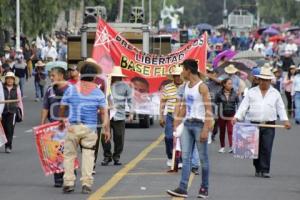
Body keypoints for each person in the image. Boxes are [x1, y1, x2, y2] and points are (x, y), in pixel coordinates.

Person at [59, 58, 110, 194]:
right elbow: (104, 112)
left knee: (69, 155)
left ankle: (68, 182)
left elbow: (62, 107)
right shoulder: (98, 93)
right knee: (88, 155)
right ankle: (86, 184)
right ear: (94, 77)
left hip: (73, 127)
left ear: (81, 74)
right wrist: (106, 129)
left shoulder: (71, 90)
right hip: (90, 129)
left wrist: (62, 120)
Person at [233, 67, 291, 178]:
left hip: (269, 124)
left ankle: (265, 170)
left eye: (266, 80)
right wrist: (237, 117)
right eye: (262, 80)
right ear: (259, 80)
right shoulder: (251, 92)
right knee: (255, 148)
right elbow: (243, 106)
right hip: (254, 124)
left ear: (270, 81)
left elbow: (281, 108)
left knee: (267, 147)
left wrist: (286, 120)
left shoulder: (275, 93)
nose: (264, 82)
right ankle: (257, 167)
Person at [167, 59, 212, 199]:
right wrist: (177, 121)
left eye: (183, 69)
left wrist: (206, 129)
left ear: (188, 70)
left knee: (203, 159)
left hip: (199, 125)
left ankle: (204, 188)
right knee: (185, 158)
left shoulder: (202, 87)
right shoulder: (186, 86)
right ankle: (182, 188)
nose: (181, 72)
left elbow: (208, 109)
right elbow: (185, 107)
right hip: (187, 125)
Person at [40, 62, 68, 187]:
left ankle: (68, 175)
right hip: (54, 126)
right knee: (56, 153)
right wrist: (42, 123)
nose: (51, 78)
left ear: (61, 76)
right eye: (50, 76)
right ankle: (58, 178)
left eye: (53, 75)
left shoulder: (70, 89)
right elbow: (46, 107)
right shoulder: (49, 90)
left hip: (68, 126)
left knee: (67, 153)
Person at [101, 66, 133, 166]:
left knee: (119, 137)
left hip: (119, 115)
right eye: (115, 77)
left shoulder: (126, 86)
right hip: (107, 114)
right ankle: (107, 156)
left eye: (119, 77)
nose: (117, 78)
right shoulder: (106, 85)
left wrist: (131, 113)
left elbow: (130, 101)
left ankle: (116, 156)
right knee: (104, 136)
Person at [160, 65, 184, 167]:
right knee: (169, 137)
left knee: (182, 138)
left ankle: (180, 159)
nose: (178, 77)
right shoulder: (167, 87)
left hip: (183, 115)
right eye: (175, 76)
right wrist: (161, 116)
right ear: (173, 77)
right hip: (170, 115)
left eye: (179, 75)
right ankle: (170, 157)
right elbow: (163, 102)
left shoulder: (187, 86)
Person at [1, 72, 23, 153]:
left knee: (10, 130)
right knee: (2, 129)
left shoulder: (16, 88)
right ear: (5, 80)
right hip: (2, 111)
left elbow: (19, 101)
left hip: (12, 112)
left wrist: (21, 112)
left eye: (11, 79)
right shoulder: (2, 88)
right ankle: (3, 143)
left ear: (14, 80)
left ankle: (8, 146)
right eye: (8, 79)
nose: (10, 80)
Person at [215, 78, 239, 153]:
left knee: (230, 130)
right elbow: (215, 102)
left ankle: (231, 146)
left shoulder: (235, 93)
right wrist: (220, 106)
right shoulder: (219, 93)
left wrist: (237, 115)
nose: (231, 85)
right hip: (221, 115)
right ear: (224, 84)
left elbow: (238, 103)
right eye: (229, 84)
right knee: (222, 131)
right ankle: (222, 147)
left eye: (231, 84)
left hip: (231, 114)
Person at [205, 67, 221, 141]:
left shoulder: (220, 80)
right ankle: (207, 133)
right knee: (208, 118)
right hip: (208, 102)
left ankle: (214, 133)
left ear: (217, 74)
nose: (211, 74)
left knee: (216, 120)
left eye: (213, 73)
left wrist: (209, 75)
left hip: (217, 103)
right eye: (211, 72)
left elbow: (220, 81)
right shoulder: (207, 81)